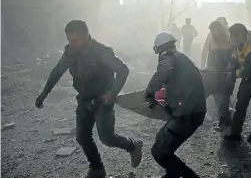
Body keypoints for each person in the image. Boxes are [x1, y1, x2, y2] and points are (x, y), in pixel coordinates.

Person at [35, 20, 143, 178]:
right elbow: (57, 71)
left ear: (86, 36)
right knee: (82, 137)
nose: (72, 44)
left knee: (107, 138)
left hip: (102, 101)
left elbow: (123, 70)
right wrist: (45, 93)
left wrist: (112, 94)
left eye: (75, 40)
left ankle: (133, 145)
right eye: (69, 40)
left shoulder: (102, 52)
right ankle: (97, 168)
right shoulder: (70, 52)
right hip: (84, 100)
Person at [145, 32, 206, 178]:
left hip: (187, 114)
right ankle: (172, 174)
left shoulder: (168, 57)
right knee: (160, 138)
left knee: (159, 152)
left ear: (159, 48)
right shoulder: (182, 58)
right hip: (192, 111)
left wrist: (150, 91)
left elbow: (163, 72)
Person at [201, 20, 234, 131]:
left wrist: (231, 67)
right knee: (217, 96)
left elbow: (235, 53)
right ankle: (223, 119)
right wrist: (203, 65)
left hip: (226, 71)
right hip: (212, 70)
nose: (213, 32)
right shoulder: (210, 36)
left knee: (224, 96)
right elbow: (205, 51)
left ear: (220, 29)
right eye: (212, 30)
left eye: (215, 30)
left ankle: (224, 121)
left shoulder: (229, 37)